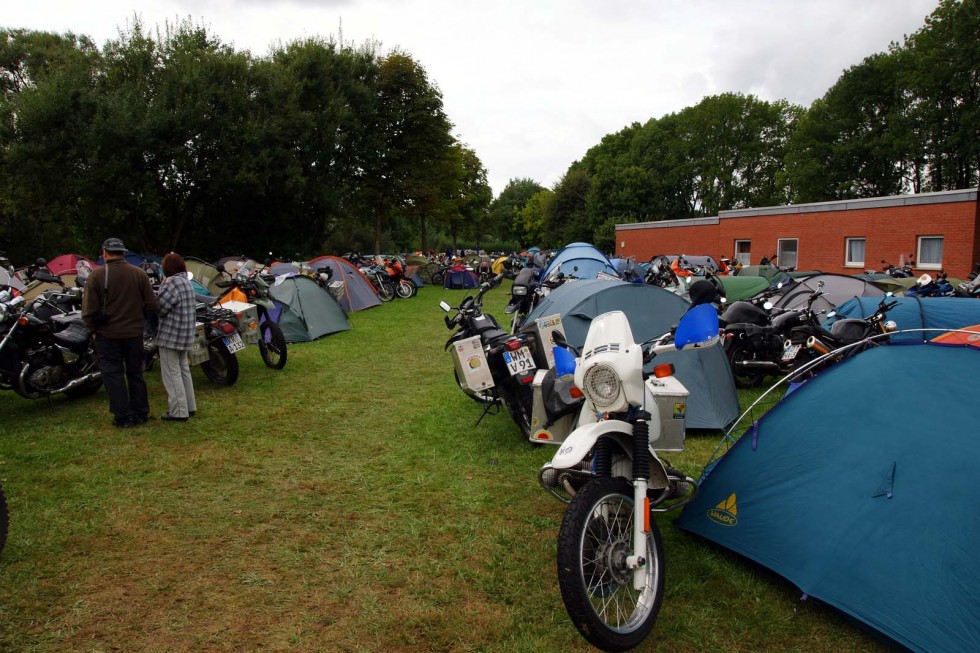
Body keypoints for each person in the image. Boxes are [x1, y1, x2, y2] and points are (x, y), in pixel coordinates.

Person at [82, 238, 158, 428]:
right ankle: (140, 412)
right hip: (134, 333)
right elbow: (152, 305)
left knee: (113, 375)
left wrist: (92, 329)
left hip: (107, 335)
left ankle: (122, 416)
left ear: (105, 252)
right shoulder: (139, 274)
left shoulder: (97, 276)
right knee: (135, 373)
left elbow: (88, 310)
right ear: (123, 253)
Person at [155, 253, 197, 422]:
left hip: (171, 335)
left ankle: (178, 411)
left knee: (171, 373)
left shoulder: (171, 283)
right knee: (183, 370)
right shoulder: (187, 282)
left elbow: (161, 307)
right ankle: (190, 406)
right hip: (186, 333)